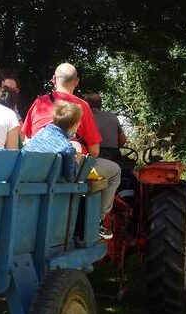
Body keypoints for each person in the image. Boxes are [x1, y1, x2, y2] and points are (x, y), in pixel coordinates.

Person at [21, 63, 120, 239]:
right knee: (114, 172)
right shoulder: (81, 107)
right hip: (69, 166)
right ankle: (97, 221)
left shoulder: (39, 103)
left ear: (53, 80)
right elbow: (95, 151)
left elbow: (26, 137)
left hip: (37, 169)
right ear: (77, 82)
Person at [23, 101, 83, 182]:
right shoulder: (67, 148)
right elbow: (70, 178)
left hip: (22, 182)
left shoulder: (40, 133)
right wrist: (77, 160)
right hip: (44, 189)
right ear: (74, 126)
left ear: (54, 118)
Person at [83, 93, 127, 162]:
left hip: (94, 156)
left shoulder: (84, 117)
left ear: (86, 103)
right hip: (114, 155)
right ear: (101, 104)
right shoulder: (113, 117)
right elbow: (123, 140)